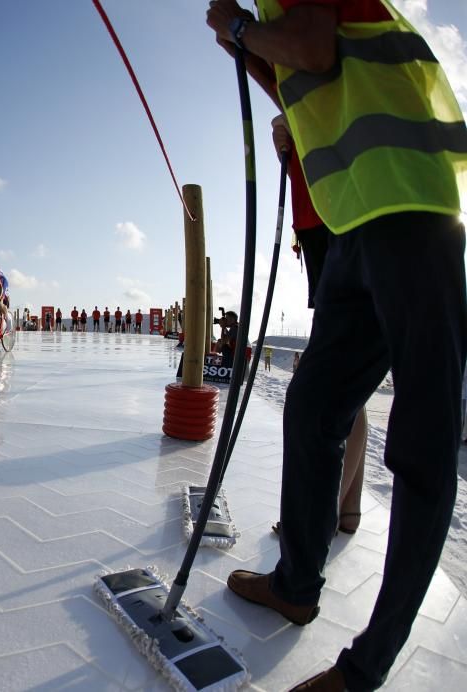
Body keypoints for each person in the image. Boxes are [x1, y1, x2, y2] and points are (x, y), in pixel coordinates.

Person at [206, 2, 467, 691]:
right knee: (315, 405)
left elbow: (314, 49)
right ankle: (296, 584)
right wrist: (252, 51)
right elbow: (307, 71)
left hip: (407, 204)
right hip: (352, 220)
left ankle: (365, 669)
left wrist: (236, 30)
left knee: (420, 443)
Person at [272, 115, 366, 537]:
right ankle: (348, 506)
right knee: (348, 362)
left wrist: (291, 119)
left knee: (338, 370)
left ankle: (323, 513)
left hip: (333, 209)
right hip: (318, 214)